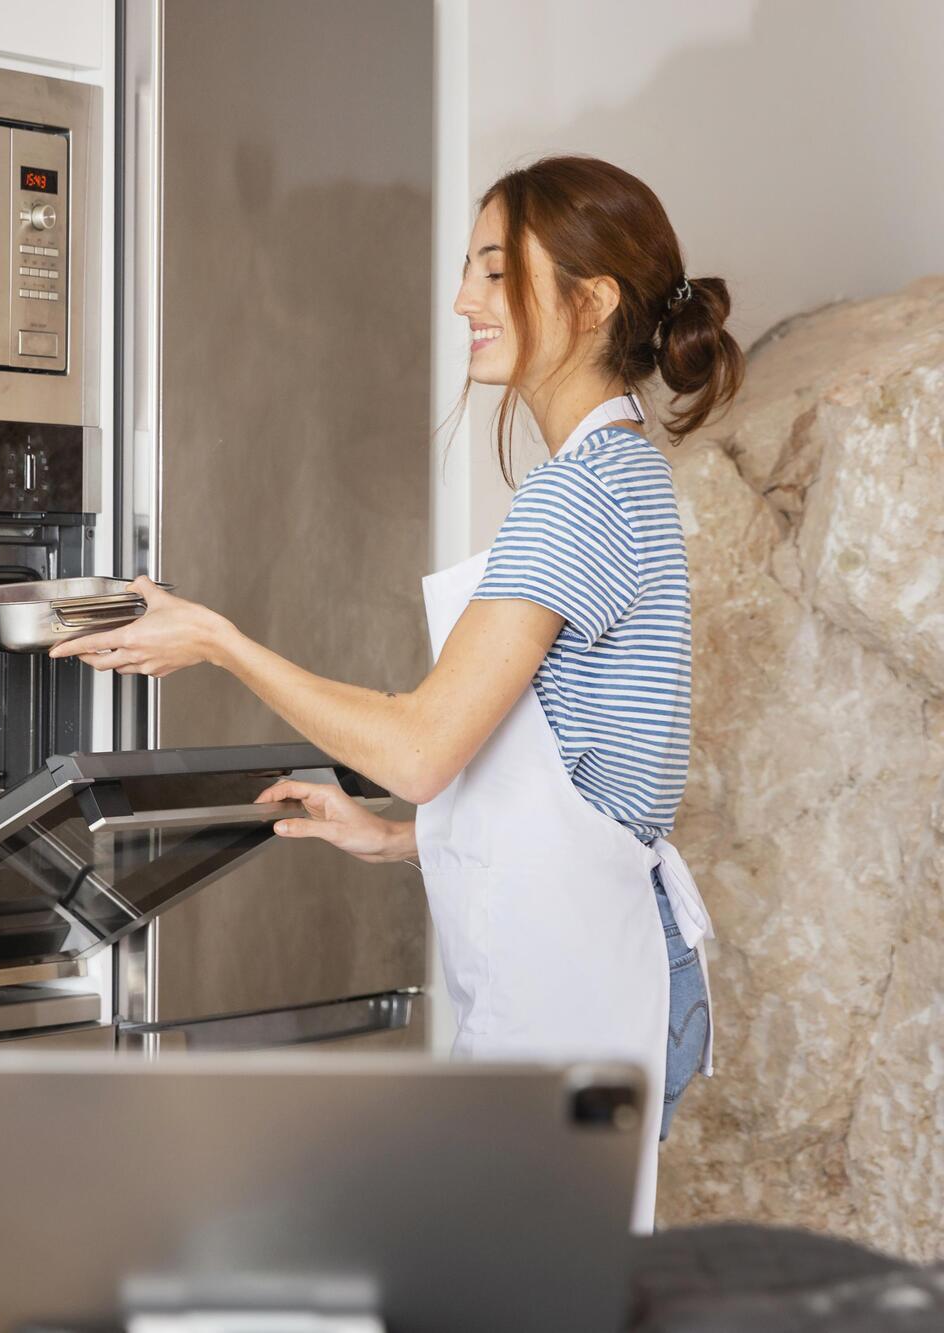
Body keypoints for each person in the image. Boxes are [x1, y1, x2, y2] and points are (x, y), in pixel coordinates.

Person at [51, 155, 743, 1230]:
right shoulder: (619, 476)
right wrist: (400, 838)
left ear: (590, 298)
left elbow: (423, 746)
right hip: (589, 970)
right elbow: (586, 778)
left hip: (571, 997)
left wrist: (219, 641)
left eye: (491, 269)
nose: (462, 299)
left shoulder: (578, 498)